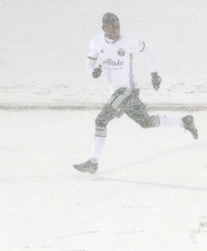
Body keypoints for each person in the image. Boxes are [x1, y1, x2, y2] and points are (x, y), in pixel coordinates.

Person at [73, 12, 198, 175]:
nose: (116, 29)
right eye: (112, 26)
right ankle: (183, 121)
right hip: (119, 93)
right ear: (104, 28)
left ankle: (93, 163)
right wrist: (93, 73)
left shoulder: (128, 42)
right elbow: (89, 66)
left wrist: (154, 73)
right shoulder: (96, 42)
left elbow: (151, 50)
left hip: (127, 90)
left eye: (118, 26)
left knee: (101, 120)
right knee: (145, 122)